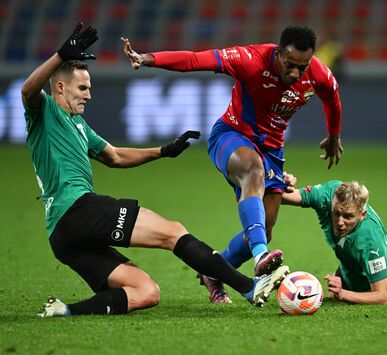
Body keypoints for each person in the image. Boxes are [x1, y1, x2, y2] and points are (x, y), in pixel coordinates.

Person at [23, 23, 289, 317]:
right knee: (172, 232)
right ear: (60, 87)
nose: (88, 95)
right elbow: (28, 89)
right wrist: (61, 55)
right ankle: (250, 286)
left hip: (63, 236)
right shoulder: (44, 110)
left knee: (146, 292)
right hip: (76, 208)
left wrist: (163, 151)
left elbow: (115, 156)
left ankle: (63, 311)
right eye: (82, 88)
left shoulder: (79, 125)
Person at [121, 25, 344, 303]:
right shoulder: (249, 60)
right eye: (290, 65)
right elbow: (194, 60)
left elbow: (332, 99)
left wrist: (334, 135)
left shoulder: (318, 74)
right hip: (232, 135)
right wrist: (148, 58)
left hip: (272, 149)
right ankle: (261, 255)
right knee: (253, 170)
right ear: (278, 53)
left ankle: (213, 273)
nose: (296, 73)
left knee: (265, 226)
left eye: (302, 66)